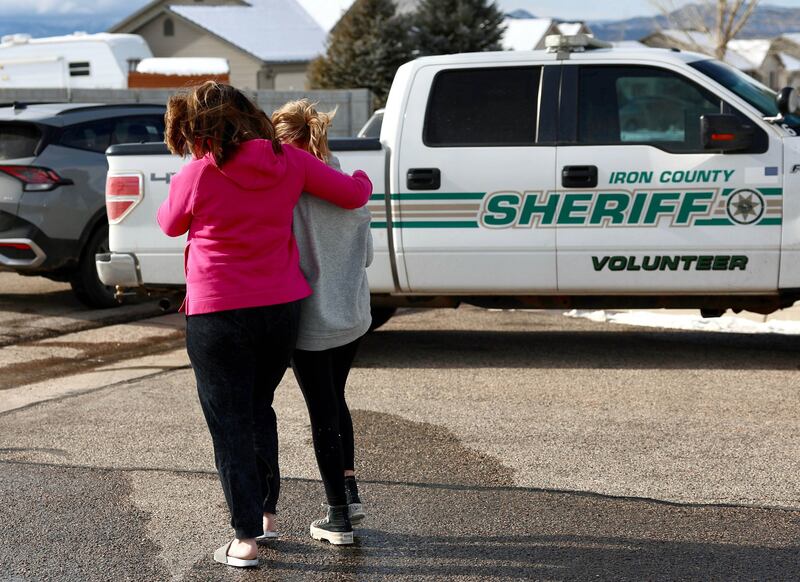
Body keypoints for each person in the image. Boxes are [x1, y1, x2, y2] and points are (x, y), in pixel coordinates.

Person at [157, 83, 372, 568]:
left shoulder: (197, 173)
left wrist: (191, 171)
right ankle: (268, 515)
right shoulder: (289, 162)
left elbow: (169, 224)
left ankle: (246, 538)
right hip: (280, 310)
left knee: (228, 421)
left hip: (217, 311)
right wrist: (359, 170)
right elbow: (354, 192)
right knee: (259, 408)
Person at [272, 100, 372, 538]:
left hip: (312, 317)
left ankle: (338, 518)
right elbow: (366, 255)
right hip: (352, 312)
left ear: (281, 141)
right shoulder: (349, 183)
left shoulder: (289, 189)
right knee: (336, 399)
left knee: (322, 412)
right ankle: (349, 491)